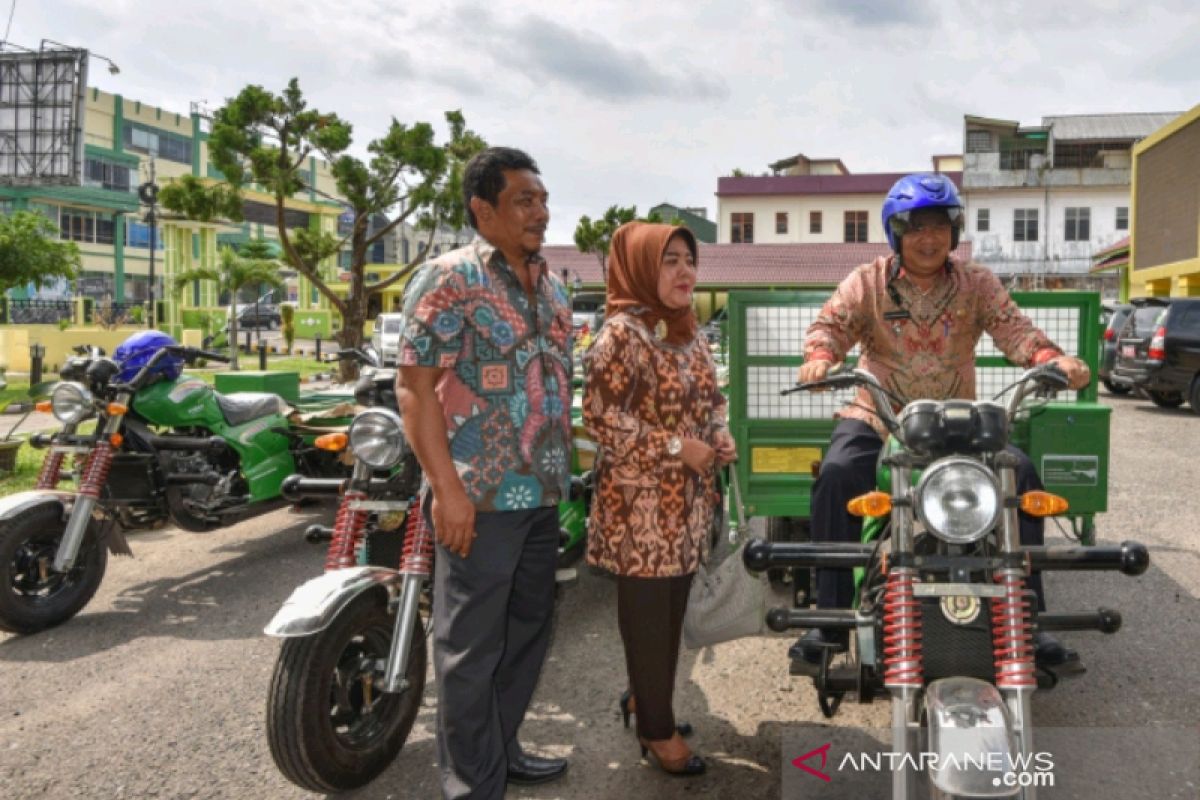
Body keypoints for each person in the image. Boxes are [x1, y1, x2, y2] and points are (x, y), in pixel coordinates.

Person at [794, 172, 1090, 669]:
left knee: (1021, 473)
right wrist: (821, 356)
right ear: (895, 233)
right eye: (915, 227)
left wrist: (1049, 358)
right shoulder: (866, 281)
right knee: (838, 474)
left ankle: (1028, 622)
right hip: (880, 414)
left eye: (939, 226)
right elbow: (829, 325)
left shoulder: (976, 283)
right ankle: (829, 623)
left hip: (958, 421)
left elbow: (1014, 328)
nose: (928, 238)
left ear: (954, 232)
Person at [397, 146, 572, 799]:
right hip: (479, 496)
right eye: (525, 200)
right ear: (483, 209)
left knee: (526, 633)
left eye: (543, 199)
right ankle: (473, 784)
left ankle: (503, 749)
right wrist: (447, 492)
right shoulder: (450, 278)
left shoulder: (552, 285)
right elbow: (414, 389)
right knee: (470, 648)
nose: (541, 212)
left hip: (543, 492)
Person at [583, 222, 736, 777]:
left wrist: (718, 432)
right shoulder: (621, 335)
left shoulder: (687, 331)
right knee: (650, 620)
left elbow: (712, 397)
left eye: (689, 260)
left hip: (686, 507)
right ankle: (655, 730)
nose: (684, 271)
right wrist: (678, 446)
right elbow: (601, 420)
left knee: (669, 618)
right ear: (641, 267)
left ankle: (646, 700)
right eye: (669, 260)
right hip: (639, 513)